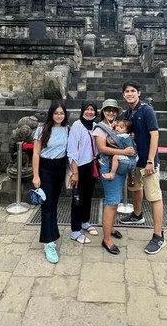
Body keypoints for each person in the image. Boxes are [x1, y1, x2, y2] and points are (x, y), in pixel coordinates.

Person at [119, 81, 166, 254]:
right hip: (135, 160)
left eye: (133, 91)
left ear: (138, 93)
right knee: (135, 188)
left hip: (148, 162)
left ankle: (158, 235)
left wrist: (151, 161)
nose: (130, 94)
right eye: (127, 91)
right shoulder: (128, 112)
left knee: (154, 196)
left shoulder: (147, 111)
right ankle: (137, 215)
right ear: (123, 95)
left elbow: (155, 135)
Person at [93, 98, 135, 255]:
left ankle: (110, 228)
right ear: (103, 111)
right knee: (111, 202)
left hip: (120, 166)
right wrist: (124, 152)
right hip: (108, 167)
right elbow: (102, 148)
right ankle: (106, 239)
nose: (110, 112)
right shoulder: (100, 128)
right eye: (107, 110)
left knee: (116, 200)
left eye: (113, 110)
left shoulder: (118, 127)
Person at [32, 100, 69, 263]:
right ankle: (48, 242)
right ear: (51, 114)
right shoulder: (42, 129)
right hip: (45, 169)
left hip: (60, 168)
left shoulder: (67, 129)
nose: (59, 116)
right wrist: (36, 175)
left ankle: (52, 233)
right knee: (47, 205)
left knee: (54, 203)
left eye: (61, 113)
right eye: (56, 113)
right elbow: (36, 153)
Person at [66, 100, 99, 244]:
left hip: (92, 166)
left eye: (92, 109)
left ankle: (85, 221)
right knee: (77, 199)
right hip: (79, 167)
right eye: (87, 109)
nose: (90, 112)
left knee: (88, 196)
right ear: (82, 110)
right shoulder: (77, 126)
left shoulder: (96, 126)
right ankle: (75, 230)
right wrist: (75, 172)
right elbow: (72, 149)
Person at [97, 118, 138, 184]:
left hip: (129, 157)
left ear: (126, 130)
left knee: (115, 157)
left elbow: (110, 141)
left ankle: (112, 174)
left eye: (121, 127)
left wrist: (109, 131)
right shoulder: (125, 135)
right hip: (131, 156)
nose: (117, 128)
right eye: (117, 126)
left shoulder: (123, 136)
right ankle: (131, 179)